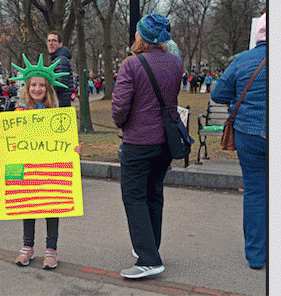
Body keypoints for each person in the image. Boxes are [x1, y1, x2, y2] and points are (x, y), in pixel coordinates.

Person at [112, 13, 182, 279]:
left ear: (141, 35)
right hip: (165, 141)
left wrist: (122, 122)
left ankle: (148, 259)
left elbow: (120, 107)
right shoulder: (175, 62)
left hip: (139, 142)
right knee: (154, 194)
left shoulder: (132, 64)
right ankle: (151, 247)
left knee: (134, 197)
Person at [8, 54, 82, 270]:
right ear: (27, 87)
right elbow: (10, 140)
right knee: (28, 206)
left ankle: (51, 249)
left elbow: (65, 142)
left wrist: (74, 149)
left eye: (41, 85)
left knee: (52, 205)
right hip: (28, 168)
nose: (37, 89)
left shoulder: (56, 114)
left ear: (48, 89)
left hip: (50, 168)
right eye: (33, 85)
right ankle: (27, 246)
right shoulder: (19, 112)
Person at [211, 12, 266, 270]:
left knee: (255, 192)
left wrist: (238, 101)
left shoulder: (243, 61)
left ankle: (256, 255)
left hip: (250, 133)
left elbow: (218, 93)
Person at [47, 31, 73, 107]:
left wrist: (45, 89)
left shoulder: (60, 60)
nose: (50, 43)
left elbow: (60, 84)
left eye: (54, 41)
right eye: (48, 41)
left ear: (60, 44)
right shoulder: (57, 59)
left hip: (60, 105)